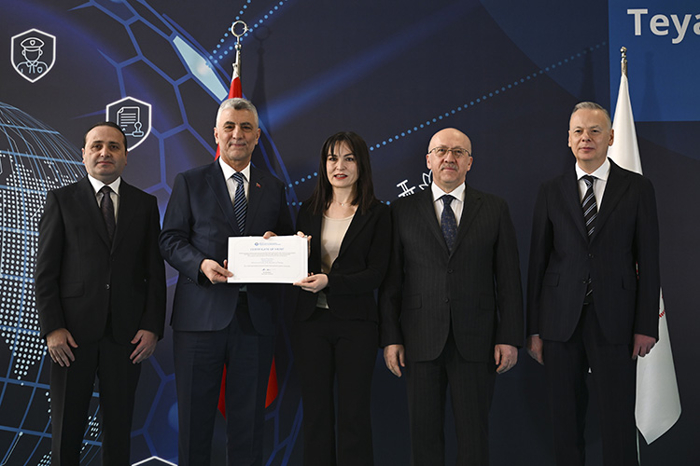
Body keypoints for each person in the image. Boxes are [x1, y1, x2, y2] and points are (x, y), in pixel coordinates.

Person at [159, 97, 293, 466]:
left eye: (246, 127)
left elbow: (286, 241)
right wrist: (201, 264)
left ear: (257, 136)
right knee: (194, 424)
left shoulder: (274, 187)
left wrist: (283, 245)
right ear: (216, 134)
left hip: (255, 320)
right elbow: (169, 240)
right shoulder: (190, 181)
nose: (237, 134)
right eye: (229, 127)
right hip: (200, 319)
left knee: (248, 427)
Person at [526, 101, 660, 466]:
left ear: (611, 137)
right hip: (559, 323)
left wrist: (646, 325)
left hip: (617, 321)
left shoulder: (637, 188)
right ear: (569, 139)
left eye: (595, 131)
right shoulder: (550, 191)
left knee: (618, 422)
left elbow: (649, 262)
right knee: (565, 422)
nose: (586, 138)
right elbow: (538, 263)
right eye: (579, 131)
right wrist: (534, 329)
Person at [379, 128, 523, 465]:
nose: (449, 158)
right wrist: (391, 337)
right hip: (419, 340)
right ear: (428, 160)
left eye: (458, 152)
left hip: (476, 341)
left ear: (469, 162)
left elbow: (509, 280)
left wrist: (509, 336)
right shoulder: (401, 211)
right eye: (441, 151)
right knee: (424, 439)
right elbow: (391, 282)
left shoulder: (494, 208)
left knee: (474, 439)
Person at [35, 122, 166, 466]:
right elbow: (45, 272)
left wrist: (152, 327)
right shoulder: (61, 200)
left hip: (127, 336)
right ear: (84, 154)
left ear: (126, 156)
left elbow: (154, 273)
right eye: (96, 146)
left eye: (113, 146)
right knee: (67, 431)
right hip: (71, 337)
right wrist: (52, 328)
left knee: (118, 432)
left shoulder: (145, 204)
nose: (104, 152)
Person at [292, 132, 391, 465]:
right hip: (310, 323)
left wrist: (330, 282)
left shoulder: (377, 213)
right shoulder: (308, 210)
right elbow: (296, 267)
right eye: (333, 158)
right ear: (324, 165)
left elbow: (376, 273)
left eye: (349, 158)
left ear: (361, 165)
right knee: (315, 414)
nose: (340, 166)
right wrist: (282, 248)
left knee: (354, 414)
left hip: (356, 325)